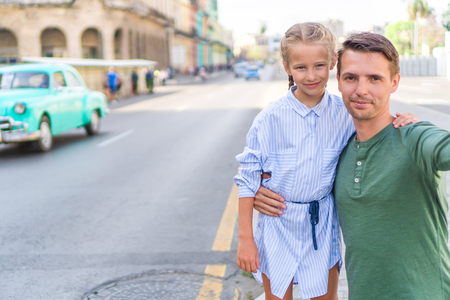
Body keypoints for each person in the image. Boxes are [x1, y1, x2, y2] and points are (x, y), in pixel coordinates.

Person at [253, 32, 450, 299]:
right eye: (351, 78)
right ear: (339, 81)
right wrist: (259, 190)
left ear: (394, 83)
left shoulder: (414, 137)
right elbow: (304, 175)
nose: (361, 90)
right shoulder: (342, 149)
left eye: (375, 79)